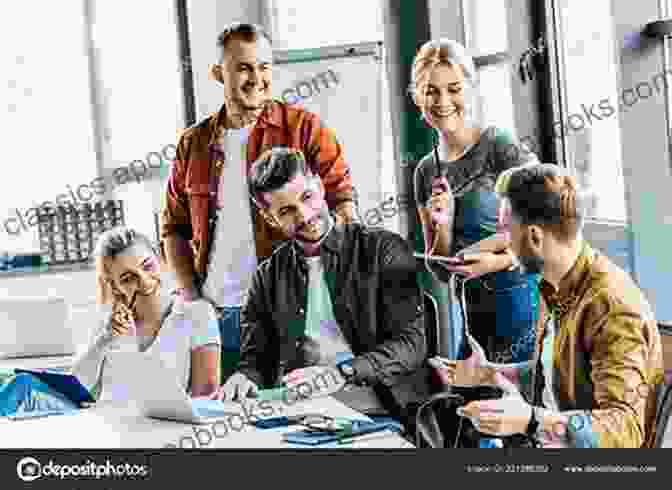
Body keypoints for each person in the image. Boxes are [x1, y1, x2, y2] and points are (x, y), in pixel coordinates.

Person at [160, 22, 358, 382]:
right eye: (243, 68)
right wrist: (192, 297)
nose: (256, 78)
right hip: (218, 317)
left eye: (264, 66)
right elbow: (173, 230)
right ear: (219, 73)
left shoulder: (305, 129)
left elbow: (343, 202)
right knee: (225, 423)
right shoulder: (193, 144)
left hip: (289, 316)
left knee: (295, 420)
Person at [434, 163, 665, 448]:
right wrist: (490, 373)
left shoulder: (611, 306)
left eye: (506, 230)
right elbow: (551, 375)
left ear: (534, 237)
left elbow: (625, 428)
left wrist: (530, 421)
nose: (503, 240)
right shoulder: (553, 284)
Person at [211, 147, 426, 421]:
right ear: (269, 218)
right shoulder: (268, 275)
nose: (304, 216)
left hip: (380, 412)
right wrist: (244, 377)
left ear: (320, 186)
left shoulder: (384, 248)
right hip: (303, 416)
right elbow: (256, 359)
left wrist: (341, 374)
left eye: (307, 197)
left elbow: (412, 345)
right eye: (286, 210)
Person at [410, 38, 541, 363]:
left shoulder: (499, 146)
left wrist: (492, 261)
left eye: (454, 88)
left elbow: (544, 231)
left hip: (524, 311)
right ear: (417, 96)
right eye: (431, 90)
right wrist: (443, 225)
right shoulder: (426, 171)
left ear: (470, 87)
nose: (443, 101)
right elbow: (439, 269)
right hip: (473, 320)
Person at [0, 227, 221, 416]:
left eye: (147, 266)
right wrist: (105, 339)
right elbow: (77, 386)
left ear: (160, 259)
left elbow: (205, 396)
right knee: (19, 385)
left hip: (154, 426)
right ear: (115, 286)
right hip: (99, 422)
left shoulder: (197, 313)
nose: (144, 281)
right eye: (128, 278)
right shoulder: (110, 322)